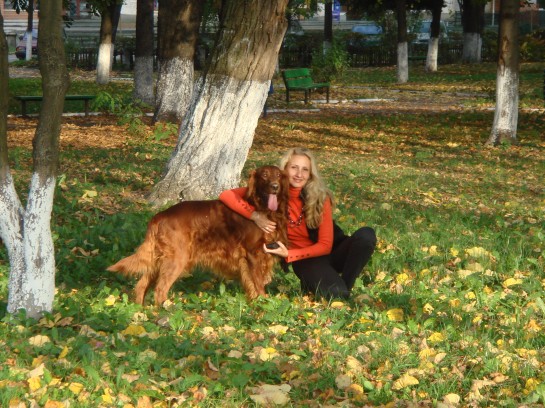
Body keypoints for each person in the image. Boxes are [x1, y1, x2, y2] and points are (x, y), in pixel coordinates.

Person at [219, 147, 376, 299]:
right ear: (284, 170)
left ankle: (347, 286)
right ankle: (328, 286)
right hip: (306, 261)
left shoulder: (320, 198)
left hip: (333, 252)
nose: (299, 174)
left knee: (366, 235)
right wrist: (254, 216)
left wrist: (289, 254)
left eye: (305, 169)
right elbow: (226, 195)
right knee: (335, 293)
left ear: (310, 174)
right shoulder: (271, 192)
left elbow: (325, 245)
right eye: (294, 168)